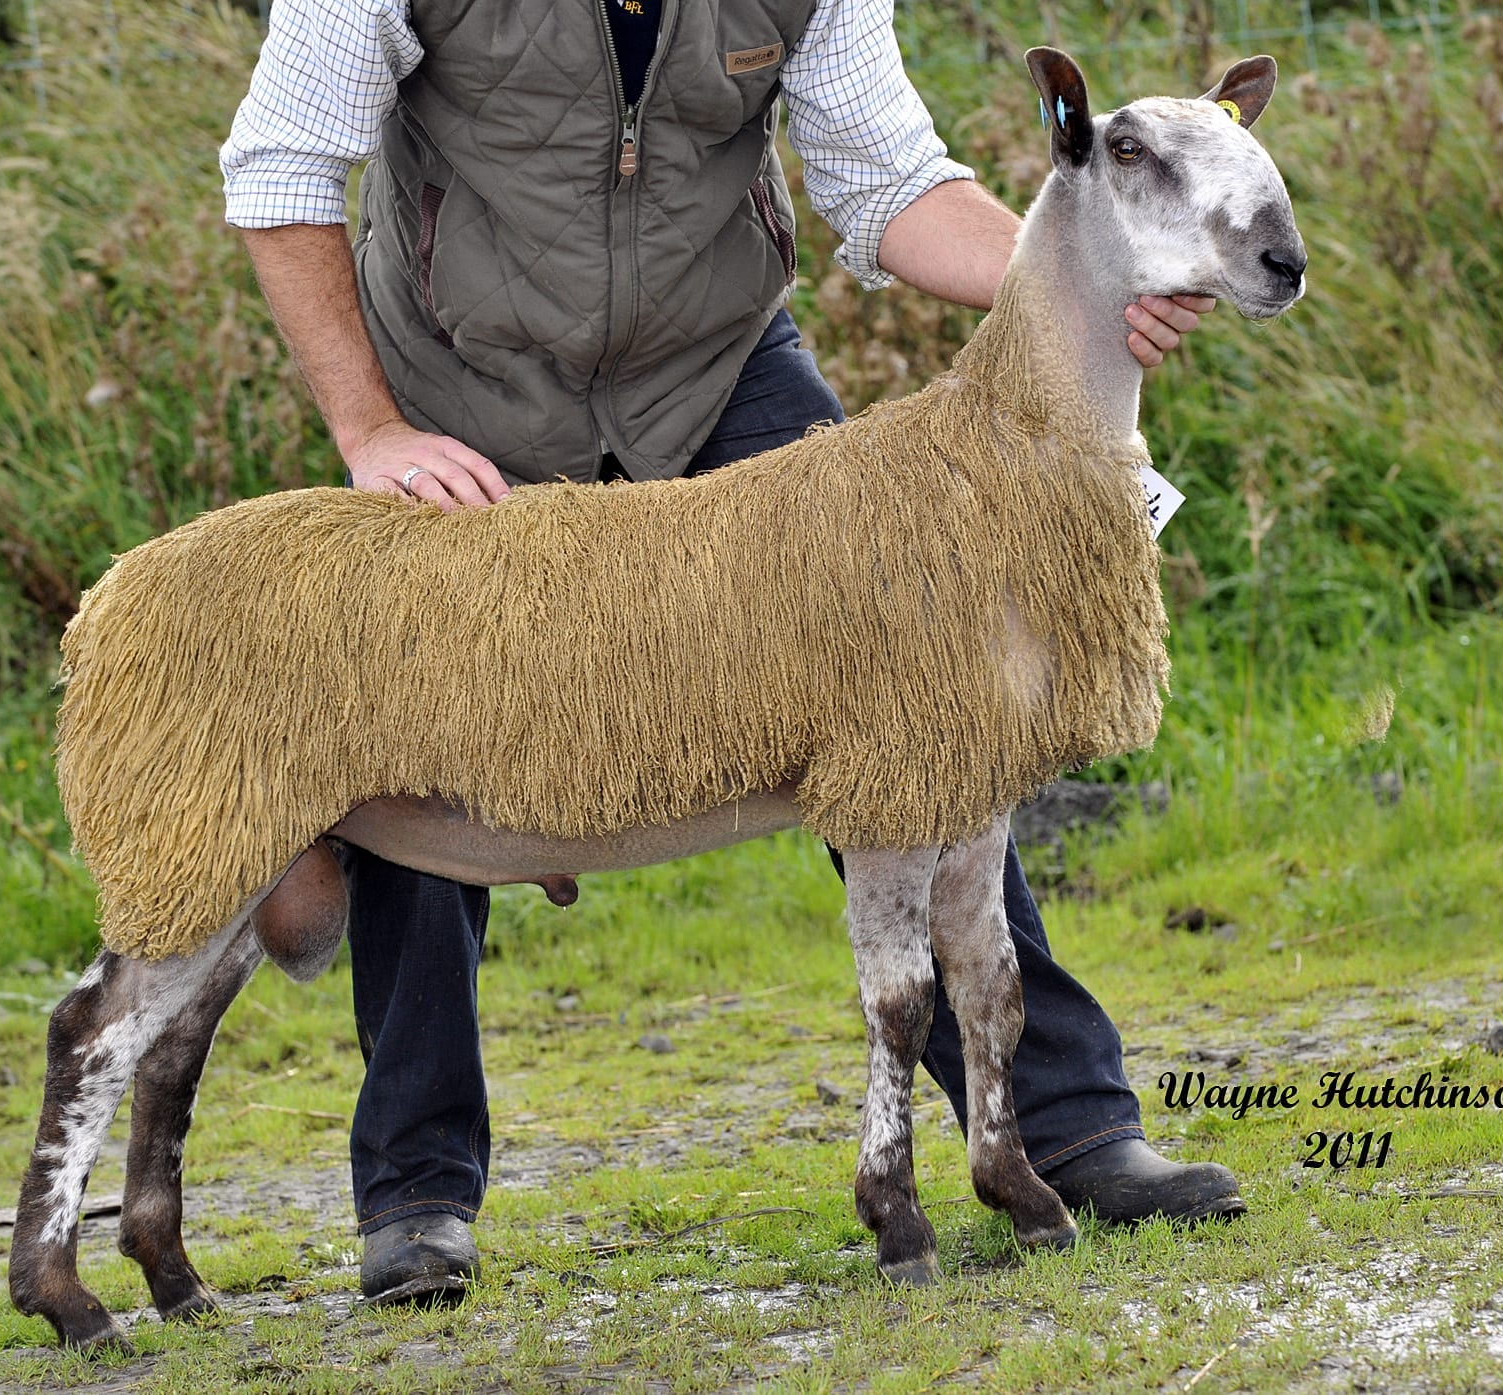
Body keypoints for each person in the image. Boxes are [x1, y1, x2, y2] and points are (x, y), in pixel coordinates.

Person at [221, 0, 1240, 1305]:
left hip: (713, 372)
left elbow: (889, 186)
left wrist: (1088, 278)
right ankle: (417, 1195)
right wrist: (369, 433)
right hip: (460, 382)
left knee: (923, 692)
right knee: (422, 728)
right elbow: (281, 165)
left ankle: (1063, 1130)